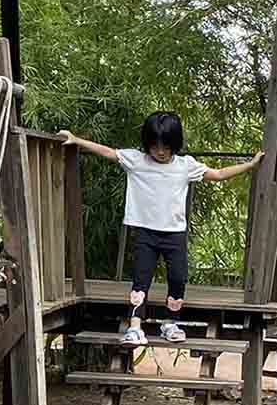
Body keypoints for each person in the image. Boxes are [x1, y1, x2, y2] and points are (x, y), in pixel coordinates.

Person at [59, 112, 263, 347]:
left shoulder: (185, 165)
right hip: (145, 233)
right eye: (155, 146)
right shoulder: (137, 161)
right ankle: (135, 327)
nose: (161, 152)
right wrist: (77, 140)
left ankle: (171, 323)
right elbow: (109, 152)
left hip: (174, 234)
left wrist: (250, 165)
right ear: (147, 143)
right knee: (140, 280)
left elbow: (217, 174)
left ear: (175, 144)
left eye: (166, 146)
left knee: (178, 278)